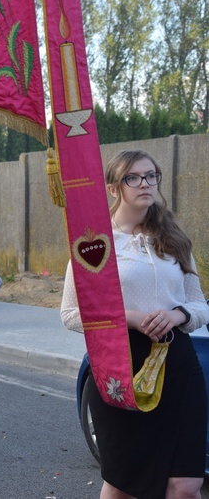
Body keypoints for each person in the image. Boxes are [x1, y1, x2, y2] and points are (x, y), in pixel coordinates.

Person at [60, 150, 209, 499]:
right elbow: (70, 314)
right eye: (133, 177)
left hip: (177, 363)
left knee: (186, 486)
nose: (145, 183)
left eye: (151, 175)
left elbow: (200, 305)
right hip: (120, 365)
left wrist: (178, 315)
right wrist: (130, 318)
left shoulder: (175, 239)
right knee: (124, 485)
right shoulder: (93, 242)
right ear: (114, 188)